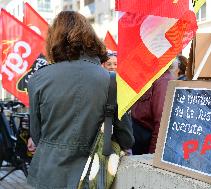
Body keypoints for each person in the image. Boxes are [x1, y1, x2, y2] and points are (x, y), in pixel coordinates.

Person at [27, 11, 134, 189]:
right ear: (90, 37)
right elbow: (126, 139)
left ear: (54, 39)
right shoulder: (112, 81)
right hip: (94, 176)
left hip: (49, 175)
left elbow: (36, 135)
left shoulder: (38, 79)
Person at [131, 70, 173, 154]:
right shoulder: (150, 76)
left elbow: (161, 122)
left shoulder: (163, 81)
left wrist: (152, 154)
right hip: (139, 139)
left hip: (146, 141)